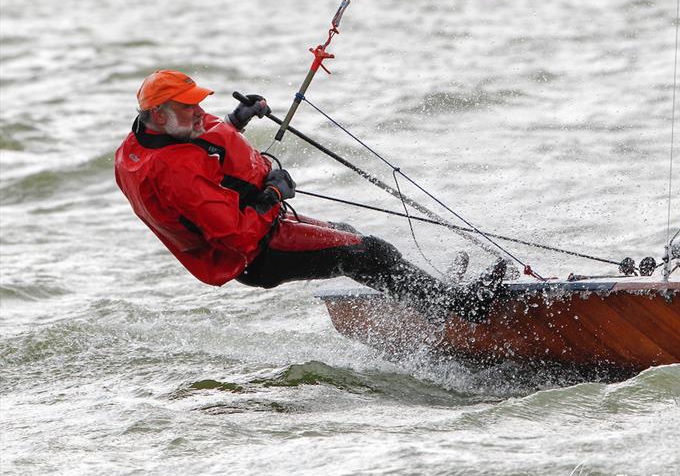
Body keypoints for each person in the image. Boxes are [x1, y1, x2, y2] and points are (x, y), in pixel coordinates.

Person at [115, 70, 506, 323]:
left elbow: (206, 150)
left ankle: (429, 297)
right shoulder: (173, 173)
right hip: (256, 252)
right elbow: (235, 235)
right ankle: (460, 308)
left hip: (263, 230)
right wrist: (272, 194)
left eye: (199, 103)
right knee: (366, 253)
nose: (200, 112)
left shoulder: (145, 140)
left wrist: (238, 119)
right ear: (160, 115)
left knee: (353, 239)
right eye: (189, 108)